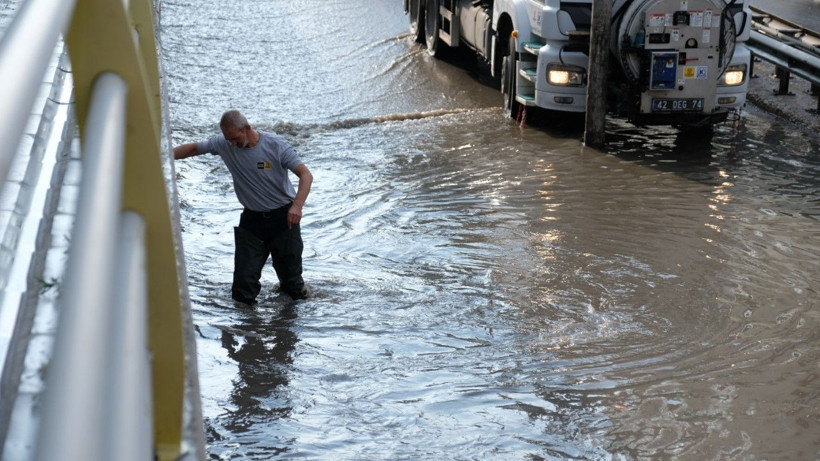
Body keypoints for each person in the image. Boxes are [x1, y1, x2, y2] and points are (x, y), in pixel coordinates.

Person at [174, 110, 313, 303]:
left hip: (284, 219)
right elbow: (193, 149)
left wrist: (297, 206)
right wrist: (162, 157)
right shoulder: (224, 144)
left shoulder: (276, 146)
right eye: (228, 139)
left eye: (235, 138)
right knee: (242, 290)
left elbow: (306, 175)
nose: (232, 143)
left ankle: (290, 327)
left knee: (293, 288)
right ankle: (246, 329)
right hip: (252, 222)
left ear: (247, 128)